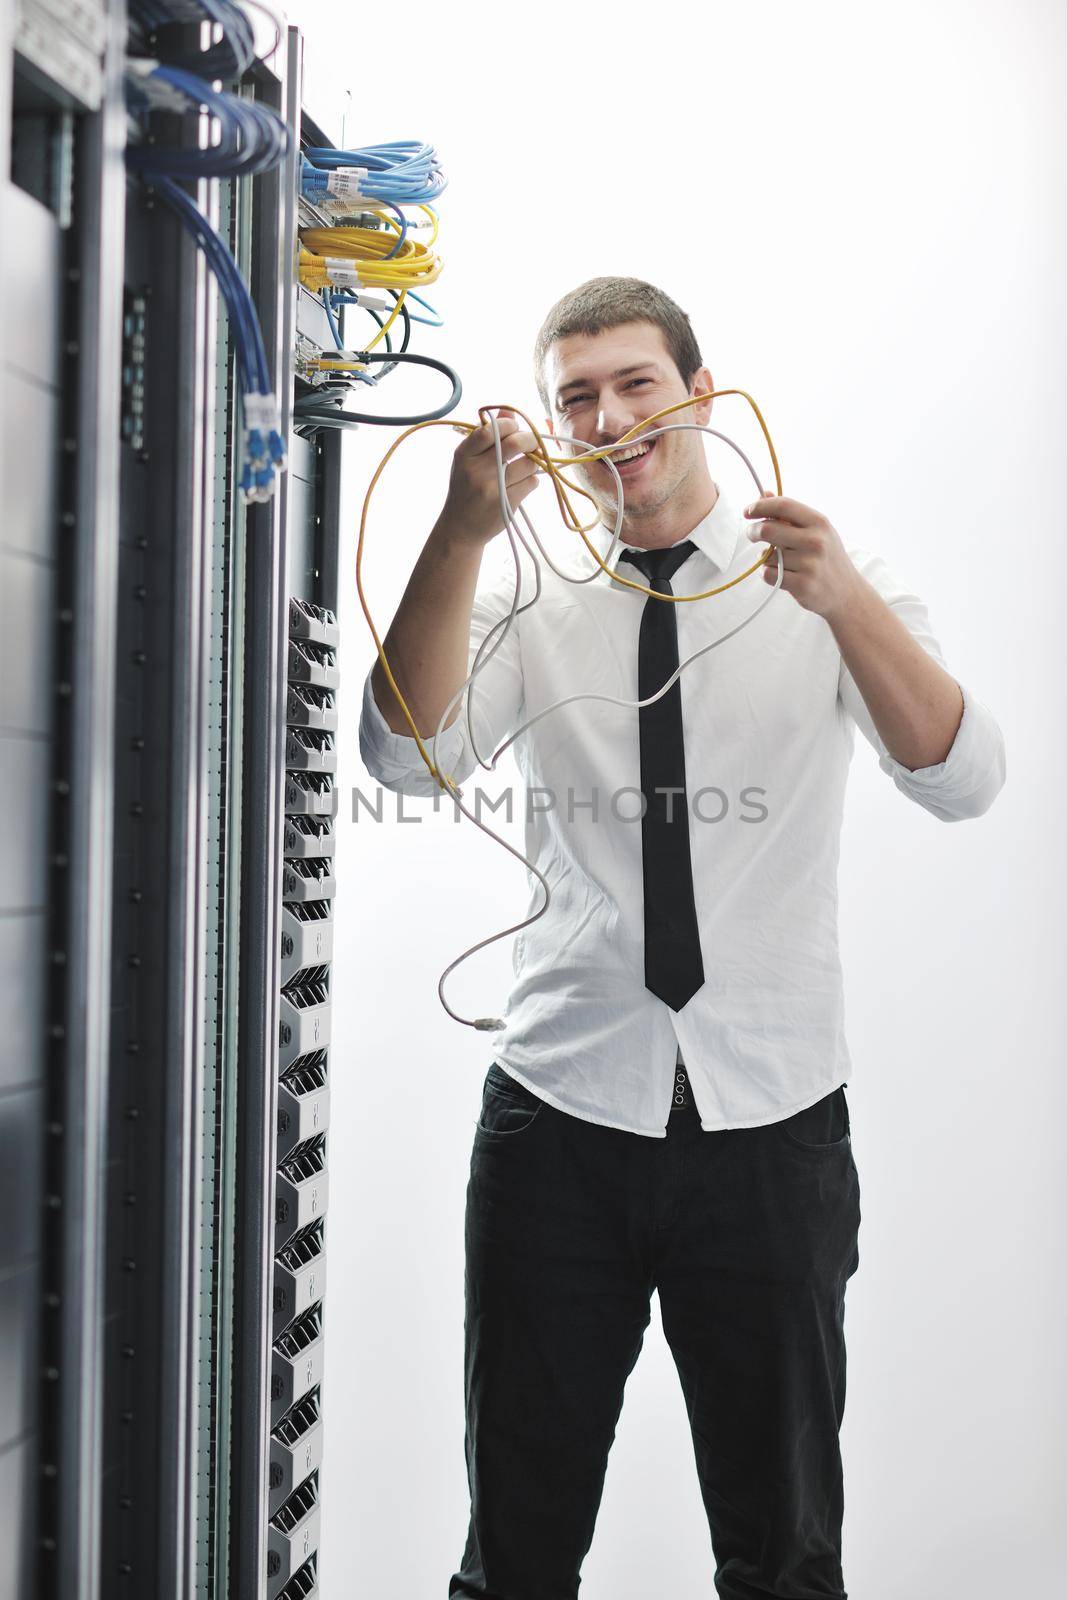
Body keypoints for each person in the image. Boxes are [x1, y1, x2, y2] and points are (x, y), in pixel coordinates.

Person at [358, 277, 1007, 1599]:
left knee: (784, 1557)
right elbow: (398, 754)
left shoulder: (822, 579)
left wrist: (843, 606)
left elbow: (964, 778)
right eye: (576, 397)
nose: (609, 416)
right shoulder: (530, 597)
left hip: (772, 1132)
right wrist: (463, 534)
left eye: (635, 382)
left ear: (701, 395)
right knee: (516, 1555)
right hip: (558, 1125)